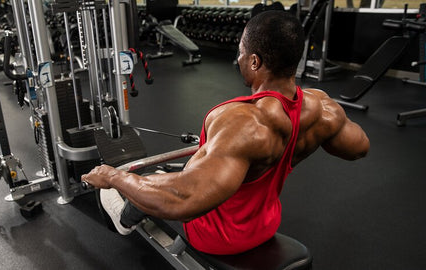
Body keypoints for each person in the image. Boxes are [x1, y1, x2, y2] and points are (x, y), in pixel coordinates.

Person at [81, 10, 370, 255]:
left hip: (218, 239)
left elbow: (184, 201)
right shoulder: (321, 108)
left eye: (241, 53)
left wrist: (114, 177)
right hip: (266, 225)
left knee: (143, 182)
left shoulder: (242, 122)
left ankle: (123, 219)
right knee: (194, 169)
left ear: (255, 61)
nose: (238, 59)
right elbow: (359, 147)